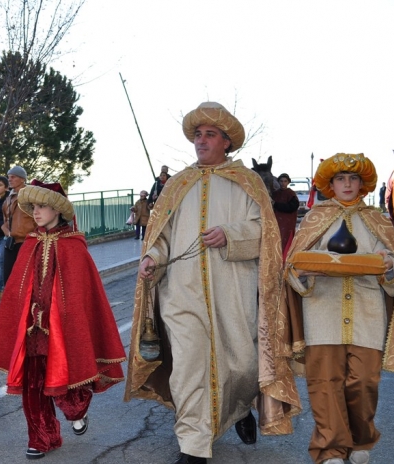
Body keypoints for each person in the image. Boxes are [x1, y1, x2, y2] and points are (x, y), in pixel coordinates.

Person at [124, 102, 300, 464]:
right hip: (181, 293)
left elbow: (265, 235)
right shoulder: (177, 184)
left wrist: (231, 236)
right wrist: (151, 259)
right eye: (198, 135)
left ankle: (238, 409)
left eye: (210, 135)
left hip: (232, 292)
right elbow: (162, 235)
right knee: (189, 368)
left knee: (240, 365)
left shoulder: (248, 183)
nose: (201, 141)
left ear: (227, 143)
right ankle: (194, 446)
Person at [284, 153, 394, 464]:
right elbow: (293, 271)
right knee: (325, 383)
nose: (347, 184)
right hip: (321, 313)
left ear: (363, 184)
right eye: (341, 179)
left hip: (368, 315)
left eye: (353, 179)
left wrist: (389, 266)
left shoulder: (378, 219)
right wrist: (304, 274)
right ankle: (330, 450)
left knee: (364, 382)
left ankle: (361, 441)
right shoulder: (314, 218)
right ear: (330, 184)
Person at [0, 180, 126, 460]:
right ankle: (41, 437)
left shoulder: (74, 247)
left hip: (63, 332)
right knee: (32, 386)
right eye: (34, 207)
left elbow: (84, 295)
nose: (36, 212)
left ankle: (78, 411)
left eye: (42, 207)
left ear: (57, 210)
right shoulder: (30, 244)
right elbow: (17, 289)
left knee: (68, 388)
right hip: (33, 330)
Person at [2, 166, 37, 283]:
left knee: (27, 278)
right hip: (12, 242)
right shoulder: (8, 199)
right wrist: (7, 232)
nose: (9, 179)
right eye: (8, 177)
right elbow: (5, 221)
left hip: (28, 241)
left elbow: (39, 217)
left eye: (13, 177)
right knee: (8, 277)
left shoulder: (31, 195)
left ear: (22, 179)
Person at [272, 172, 300, 258]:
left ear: (288, 182)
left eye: (285, 181)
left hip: (287, 223)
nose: (283, 183)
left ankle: (286, 259)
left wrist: (276, 204)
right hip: (277, 222)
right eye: (281, 181)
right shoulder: (275, 194)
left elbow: (292, 207)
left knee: (286, 240)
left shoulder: (291, 194)